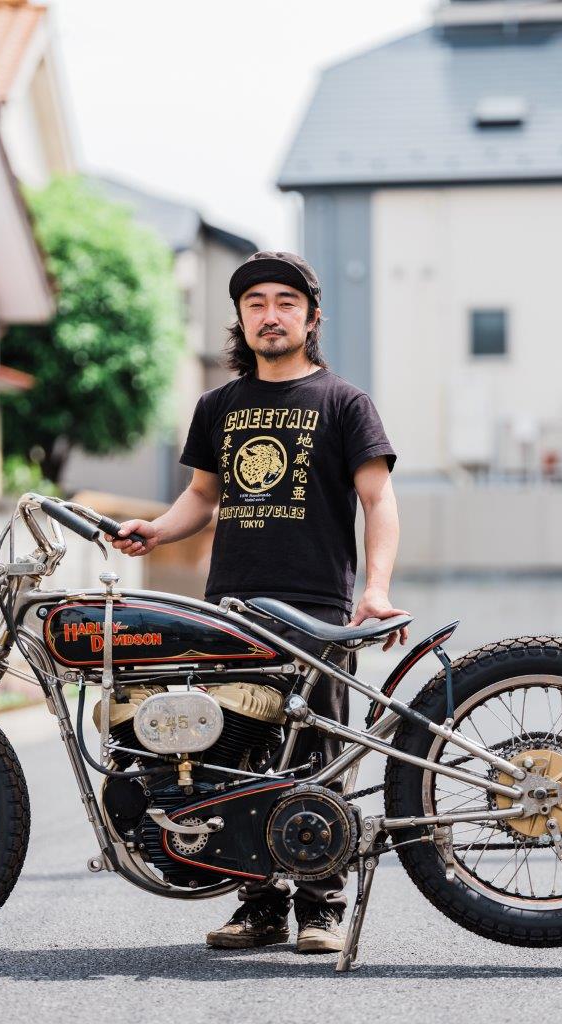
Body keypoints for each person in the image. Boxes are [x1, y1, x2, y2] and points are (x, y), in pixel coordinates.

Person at [106, 250, 409, 956]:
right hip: (230, 611)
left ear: (310, 316)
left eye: (284, 302)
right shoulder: (219, 406)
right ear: (239, 320)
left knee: (315, 755)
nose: (269, 316)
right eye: (254, 305)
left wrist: (375, 588)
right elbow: (202, 498)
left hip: (317, 610)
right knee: (233, 756)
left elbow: (378, 497)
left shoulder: (343, 403)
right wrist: (155, 530)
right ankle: (258, 905)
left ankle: (321, 907)